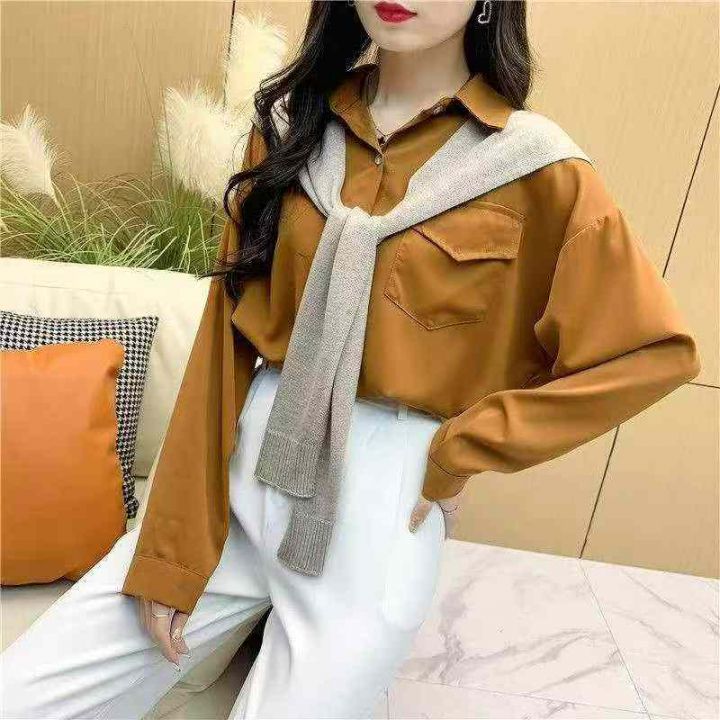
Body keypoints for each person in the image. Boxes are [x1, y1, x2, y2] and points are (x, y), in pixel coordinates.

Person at [1, 1, 701, 718]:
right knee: (23, 696)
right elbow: (223, 344)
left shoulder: (536, 168)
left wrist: (465, 446)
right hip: (247, 458)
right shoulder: (290, 129)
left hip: (381, 502)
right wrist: (170, 548)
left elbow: (652, 351)